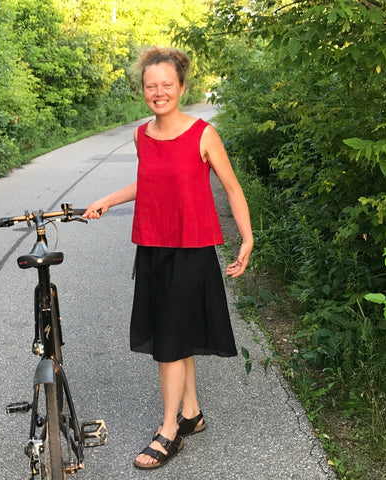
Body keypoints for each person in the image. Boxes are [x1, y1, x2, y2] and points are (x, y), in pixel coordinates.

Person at [83, 46, 253, 470]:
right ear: (143, 89)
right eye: (150, 86)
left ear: (181, 87)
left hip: (191, 250)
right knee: (170, 332)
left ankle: (168, 430)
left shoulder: (202, 134)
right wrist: (108, 198)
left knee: (168, 342)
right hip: (153, 246)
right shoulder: (142, 135)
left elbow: (231, 188)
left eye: (167, 85)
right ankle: (191, 414)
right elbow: (149, 183)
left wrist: (246, 239)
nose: (158, 92)